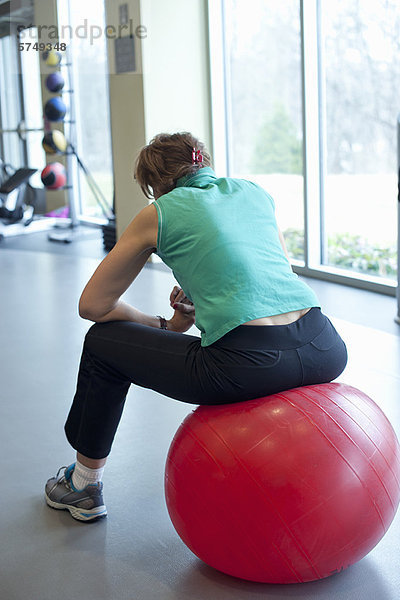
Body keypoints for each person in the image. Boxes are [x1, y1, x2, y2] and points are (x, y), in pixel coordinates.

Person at [45, 132, 348, 522]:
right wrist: (198, 300)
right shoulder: (253, 192)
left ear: (155, 186)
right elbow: (271, 276)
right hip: (324, 346)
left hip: (246, 365)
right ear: (202, 161)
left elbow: (93, 305)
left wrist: (163, 326)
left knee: (103, 342)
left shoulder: (160, 212)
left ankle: (82, 484)